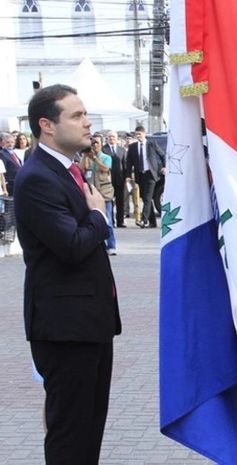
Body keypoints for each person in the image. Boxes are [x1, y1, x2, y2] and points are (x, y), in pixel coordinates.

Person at [13, 84, 121, 464]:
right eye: (76, 115)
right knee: (70, 433)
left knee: (89, 428)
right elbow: (72, 245)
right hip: (64, 329)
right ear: (47, 125)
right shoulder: (38, 178)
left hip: (89, 324)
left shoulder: (70, 170)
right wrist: (96, 215)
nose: (87, 122)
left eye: (85, 113)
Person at [80, 134, 117, 255]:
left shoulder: (106, 157)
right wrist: (85, 156)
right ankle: (98, 245)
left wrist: (95, 157)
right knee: (92, 221)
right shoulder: (87, 157)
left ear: (101, 144)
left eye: (97, 143)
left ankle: (111, 245)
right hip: (91, 193)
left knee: (108, 221)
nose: (95, 145)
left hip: (104, 193)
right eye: (93, 143)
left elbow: (105, 168)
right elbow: (81, 170)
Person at [126, 125, 166, 228]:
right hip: (140, 175)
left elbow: (162, 155)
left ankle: (144, 220)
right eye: (136, 134)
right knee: (145, 198)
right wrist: (128, 175)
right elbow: (129, 162)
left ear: (144, 133)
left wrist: (164, 167)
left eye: (139, 134)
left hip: (151, 175)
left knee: (148, 198)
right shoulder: (133, 147)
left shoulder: (151, 144)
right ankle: (152, 222)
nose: (138, 136)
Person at [103, 131, 127, 228]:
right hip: (108, 180)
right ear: (107, 138)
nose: (112, 138)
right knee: (109, 202)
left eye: (113, 137)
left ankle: (120, 221)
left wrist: (126, 178)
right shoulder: (104, 150)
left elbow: (125, 165)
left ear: (117, 139)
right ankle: (111, 221)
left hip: (120, 180)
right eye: (110, 137)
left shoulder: (122, 150)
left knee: (120, 201)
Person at [0, 131, 21, 196]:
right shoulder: (2, 153)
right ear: (3, 143)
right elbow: (2, 172)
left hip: (17, 182)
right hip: (10, 185)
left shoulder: (13, 153)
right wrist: (4, 188)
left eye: (12, 142)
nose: (10, 144)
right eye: (8, 142)